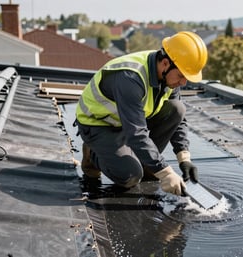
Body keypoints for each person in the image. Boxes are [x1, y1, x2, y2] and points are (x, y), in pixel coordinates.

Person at [75, 31, 208, 196]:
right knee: (130, 177)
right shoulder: (130, 77)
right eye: (181, 75)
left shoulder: (170, 75)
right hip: (99, 125)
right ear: (166, 63)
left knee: (177, 108)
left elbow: (178, 119)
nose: (183, 82)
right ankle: (93, 155)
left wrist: (184, 158)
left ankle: (148, 164)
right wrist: (165, 172)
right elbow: (136, 133)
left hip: (128, 121)